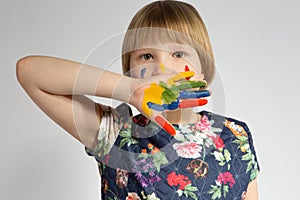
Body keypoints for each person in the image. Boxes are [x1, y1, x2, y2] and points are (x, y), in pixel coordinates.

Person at [16, 0, 259, 199]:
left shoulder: (235, 134)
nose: (161, 66)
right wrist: (130, 90)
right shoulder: (114, 133)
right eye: (146, 55)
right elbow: (29, 72)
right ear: (130, 69)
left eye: (177, 53)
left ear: (202, 69)